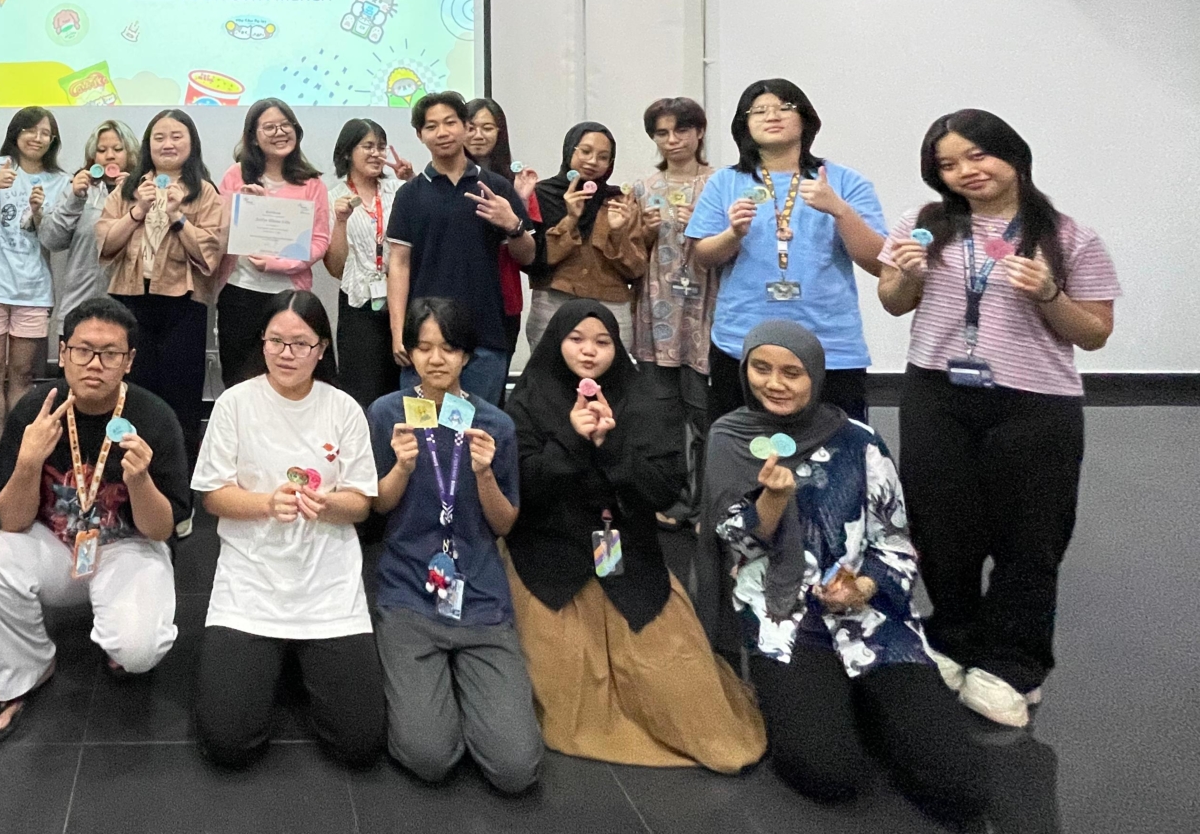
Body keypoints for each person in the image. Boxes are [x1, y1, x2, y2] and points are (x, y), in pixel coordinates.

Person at [878, 109, 1118, 728]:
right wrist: (905, 276)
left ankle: (1013, 664)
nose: (965, 171)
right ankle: (952, 638)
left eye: (977, 155)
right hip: (936, 392)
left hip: (1035, 402)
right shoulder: (922, 224)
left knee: (1030, 536)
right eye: (947, 164)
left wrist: (1048, 294)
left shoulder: (1068, 237)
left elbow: (1094, 334)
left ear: (1012, 153)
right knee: (940, 528)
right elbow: (893, 302)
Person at [704, 321, 985, 822]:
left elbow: (895, 541)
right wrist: (773, 499)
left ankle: (873, 702)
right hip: (783, 620)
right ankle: (847, 704)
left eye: (792, 373)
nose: (775, 383)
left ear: (815, 376)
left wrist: (865, 585)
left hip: (871, 618)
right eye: (761, 369)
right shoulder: (730, 438)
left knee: (956, 780)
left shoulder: (859, 441)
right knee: (827, 773)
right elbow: (735, 540)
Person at [505, 299, 764, 771]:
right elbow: (523, 489)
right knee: (565, 692)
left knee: (683, 697)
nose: (589, 351)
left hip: (625, 553)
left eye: (602, 342)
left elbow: (665, 490)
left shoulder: (641, 397)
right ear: (556, 341)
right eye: (576, 340)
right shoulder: (530, 395)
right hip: (550, 556)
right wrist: (571, 439)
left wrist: (610, 445)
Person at [0, 295, 192, 742]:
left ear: (129, 361)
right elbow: (11, 522)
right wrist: (28, 462)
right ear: (63, 351)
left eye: (110, 353)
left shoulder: (154, 417)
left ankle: (117, 638)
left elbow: (162, 530)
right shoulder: (36, 411)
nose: (95, 363)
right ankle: (28, 668)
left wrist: (140, 481)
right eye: (84, 350)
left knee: (138, 651)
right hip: (54, 545)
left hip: (128, 547)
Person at [191, 292, 383, 769]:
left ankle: (293, 659)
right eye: (275, 340)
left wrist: (328, 505)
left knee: (360, 743)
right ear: (262, 342)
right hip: (252, 580)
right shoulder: (235, 403)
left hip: (326, 582)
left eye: (301, 343)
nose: (286, 353)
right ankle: (279, 660)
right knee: (227, 743)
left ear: (322, 348)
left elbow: (361, 502)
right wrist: (265, 503)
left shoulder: (344, 409)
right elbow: (212, 494)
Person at [368, 297, 542, 793]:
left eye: (448, 347)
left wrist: (484, 474)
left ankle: (476, 707)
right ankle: (445, 709)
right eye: (424, 347)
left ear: (466, 355)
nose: (436, 359)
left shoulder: (494, 424)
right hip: (408, 590)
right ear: (409, 353)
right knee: (427, 756)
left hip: (480, 594)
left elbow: (504, 523)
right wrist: (402, 467)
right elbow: (378, 508)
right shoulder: (388, 414)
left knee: (515, 769)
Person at [688, 81, 886, 423]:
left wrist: (840, 210)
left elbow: (878, 262)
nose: (772, 116)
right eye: (759, 111)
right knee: (741, 450)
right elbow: (702, 258)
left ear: (805, 118)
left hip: (830, 348)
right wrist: (733, 234)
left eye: (784, 107)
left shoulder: (842, 181)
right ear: (745, 125)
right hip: (742, 346)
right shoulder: (725, 182)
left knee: (833, 452)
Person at [385, 93, 535, 408]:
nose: (442, 132)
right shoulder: (409, 195)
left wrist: (513, 224)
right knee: (424, 431)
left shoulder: (495, 187)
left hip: (484, 338)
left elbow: (528, 256)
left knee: (475, 429)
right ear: (420, 135)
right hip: (424, 342)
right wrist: (399, 333)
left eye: (450, 122)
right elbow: (398, 264)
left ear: (465, 127)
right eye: (431, 126)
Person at [98, 109, 228, 455]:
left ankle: (178, 475)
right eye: (159, 138)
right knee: (131, 394)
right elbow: (106, 244)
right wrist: (138, 210)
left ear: (192, 143)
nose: (167, 144)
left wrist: (177, 217)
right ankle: (126, 469)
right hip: (129, 301)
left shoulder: (205, 192)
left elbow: (209, 255)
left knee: (181, 398)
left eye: (176, 136)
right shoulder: (128, 189)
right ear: (148, 145)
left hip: (184, 306)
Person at [630, 97, 718, 527]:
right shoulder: (642, 187)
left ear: (699, 132)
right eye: (662, 133)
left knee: (706, 416)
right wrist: (643, 234)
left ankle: (707, 504)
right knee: (662, 418)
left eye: (681, 130)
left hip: (706, 308)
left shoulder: (720, 183)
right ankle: (673, 500)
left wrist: (706, 223)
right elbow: (630, 256)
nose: (672, 140)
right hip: (656, 312)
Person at [215, 98, 333, 389]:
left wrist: (279, 264)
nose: (280, 132)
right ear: (253, 137)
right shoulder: (235, 175)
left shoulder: (312, 183)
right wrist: (240, 205)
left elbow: (320, 241)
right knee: (239, 380)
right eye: (269, 127)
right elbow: (216, 231)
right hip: (240, 291)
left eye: (285, 125)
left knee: (289, 377)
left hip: (290, 295)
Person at [0, 107, 65, 416]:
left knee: (23, 375)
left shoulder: (61, 181)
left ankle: (18, 442)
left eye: (45, 133)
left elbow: (56, 240)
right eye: (30, 130)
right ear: (15, 134)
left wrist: (39, 212)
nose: (37, 138)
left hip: (32, 290)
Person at [528, 122, 646, 352]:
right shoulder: (542, 194)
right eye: (585, 151)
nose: (593, 161)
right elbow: (538, 259)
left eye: (603, 157)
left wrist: (618, 232)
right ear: (569, 150)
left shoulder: (620, 200)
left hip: (611, 302)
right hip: (554, 298)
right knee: (548, 369)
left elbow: (636, 268)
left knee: (611, 371)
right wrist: (571, 219)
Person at [322, 118, 409, 408]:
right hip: (358, 306)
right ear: (348, 152)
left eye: (381, 147)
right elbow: (335, 268)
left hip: (403, 301)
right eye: (367, 146)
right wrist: (341, 222)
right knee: (363, 392)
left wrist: (412, 181)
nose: (376, 154)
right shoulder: (332, 198)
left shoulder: (400, 190)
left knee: (404, 391)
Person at [40, 118, 137, 339]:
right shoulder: (78, 188)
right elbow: (51, 240)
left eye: (118, 149)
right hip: (79, 303)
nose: (110, 156)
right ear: (93, 157)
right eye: (102, 150)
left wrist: (132, 198)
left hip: (128, 309)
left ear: (131, 154)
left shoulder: (143, 189)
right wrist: (75, 199)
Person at [464, 97, 541, 354]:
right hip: (456, 296)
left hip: (503, 295)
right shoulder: (445, 179)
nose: (478, 135)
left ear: (500, 132)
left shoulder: (516, 181)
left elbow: (531, 255)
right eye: (470, 127)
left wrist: (520, 202)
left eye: (487, 128)